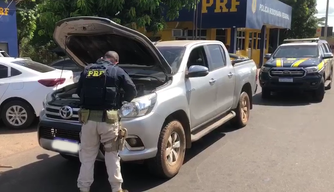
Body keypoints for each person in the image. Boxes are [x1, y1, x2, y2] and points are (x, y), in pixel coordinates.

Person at [76, 51, 137, 192]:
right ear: (115, 61)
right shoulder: (117, 70)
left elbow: (79, 92)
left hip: (88, 120)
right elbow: (132, 90)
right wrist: (121, 101)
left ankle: (84, 188)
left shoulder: (87, 70)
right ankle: (116, 189)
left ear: (103, 58)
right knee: (112, 155)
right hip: (108, 121)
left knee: (87, 156)